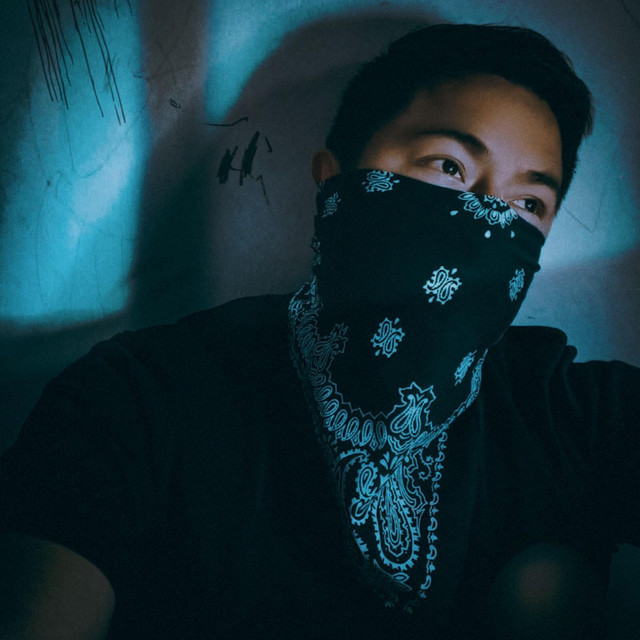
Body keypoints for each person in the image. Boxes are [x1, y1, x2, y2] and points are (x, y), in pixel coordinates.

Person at [0, 23, 637, 640]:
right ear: (334, 179)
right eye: (449, 166)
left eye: (528, 204)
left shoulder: (569, 414)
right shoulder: (144, 397)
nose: (489, 222)